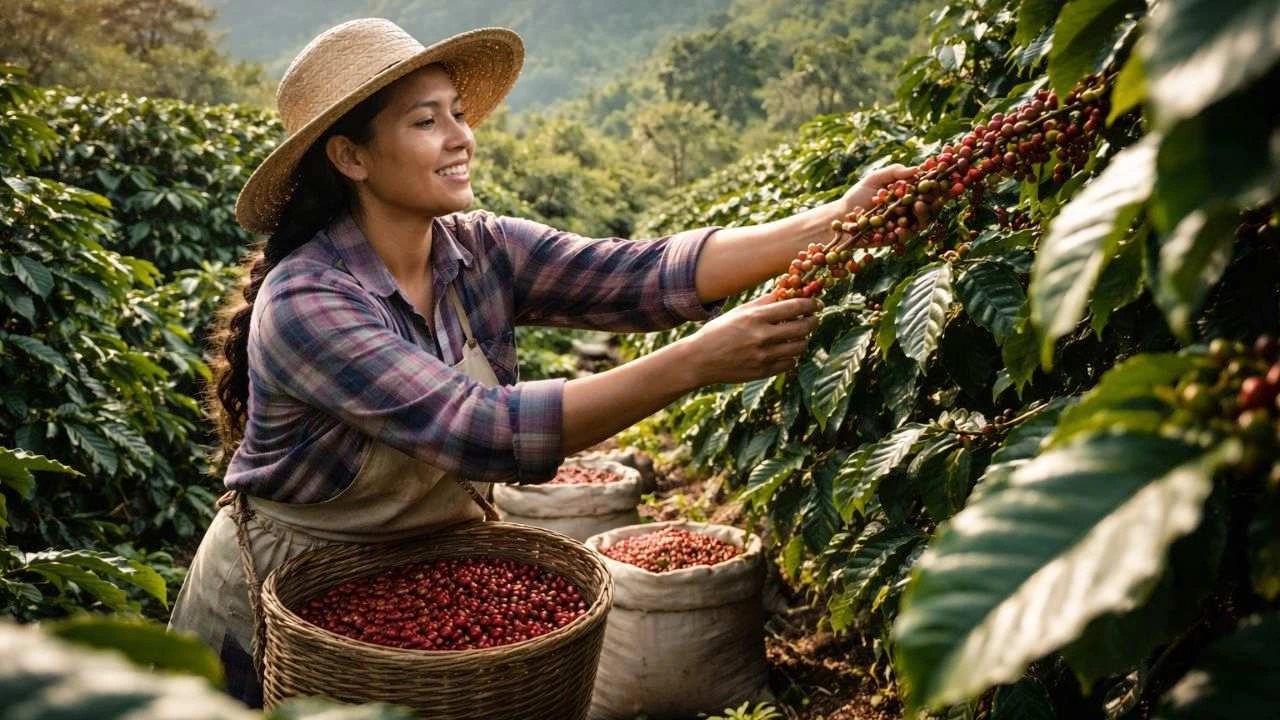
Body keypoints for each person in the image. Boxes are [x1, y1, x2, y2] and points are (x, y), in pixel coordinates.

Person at [168, 18, 911, 706]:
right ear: (351, 156)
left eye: (458, 113)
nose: (461, 137)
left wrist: (834, 220)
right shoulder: (308, 303)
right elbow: (482, 430)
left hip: (424, 577)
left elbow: (641, 275)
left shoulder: (480, 249)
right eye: (426, 121)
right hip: (283, 607)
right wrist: (695, 362)